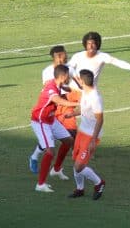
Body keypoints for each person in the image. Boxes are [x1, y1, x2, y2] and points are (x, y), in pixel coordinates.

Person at [30, 45, 79, 174]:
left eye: (66, 54)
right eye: (63, 54)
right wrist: (74, 101)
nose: (66, 56)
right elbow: (52, 91)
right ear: (56, 57)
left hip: (65, 102)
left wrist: (80, 92)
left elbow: (76, 83)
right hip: (52, 105)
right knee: (48, 139)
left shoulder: (69, 69)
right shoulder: (48, 71)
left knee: (68, 137)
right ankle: (35, 159)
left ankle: (57, 168)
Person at [66, 69, 107, 200]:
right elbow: (83, 109)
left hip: (91, 135)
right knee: (76, 162)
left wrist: (94, 140)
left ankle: (99, 183)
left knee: (79, 166)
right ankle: (80, 189)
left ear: (82, 81)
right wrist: (72, 114)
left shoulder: (95, 98)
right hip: (82, 131)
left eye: (79, 79)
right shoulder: (85, 92)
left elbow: (100, 119)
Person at [66, 31, 130, 88]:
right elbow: (68, 68)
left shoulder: (102, 56)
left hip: (90, 91)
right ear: (85, 45)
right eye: (88, 44)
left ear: (97, 44)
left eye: (93, 43)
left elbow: (118, 62)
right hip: (74, 91)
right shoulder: (78, 56)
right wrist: (77, 80)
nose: (91, 46)